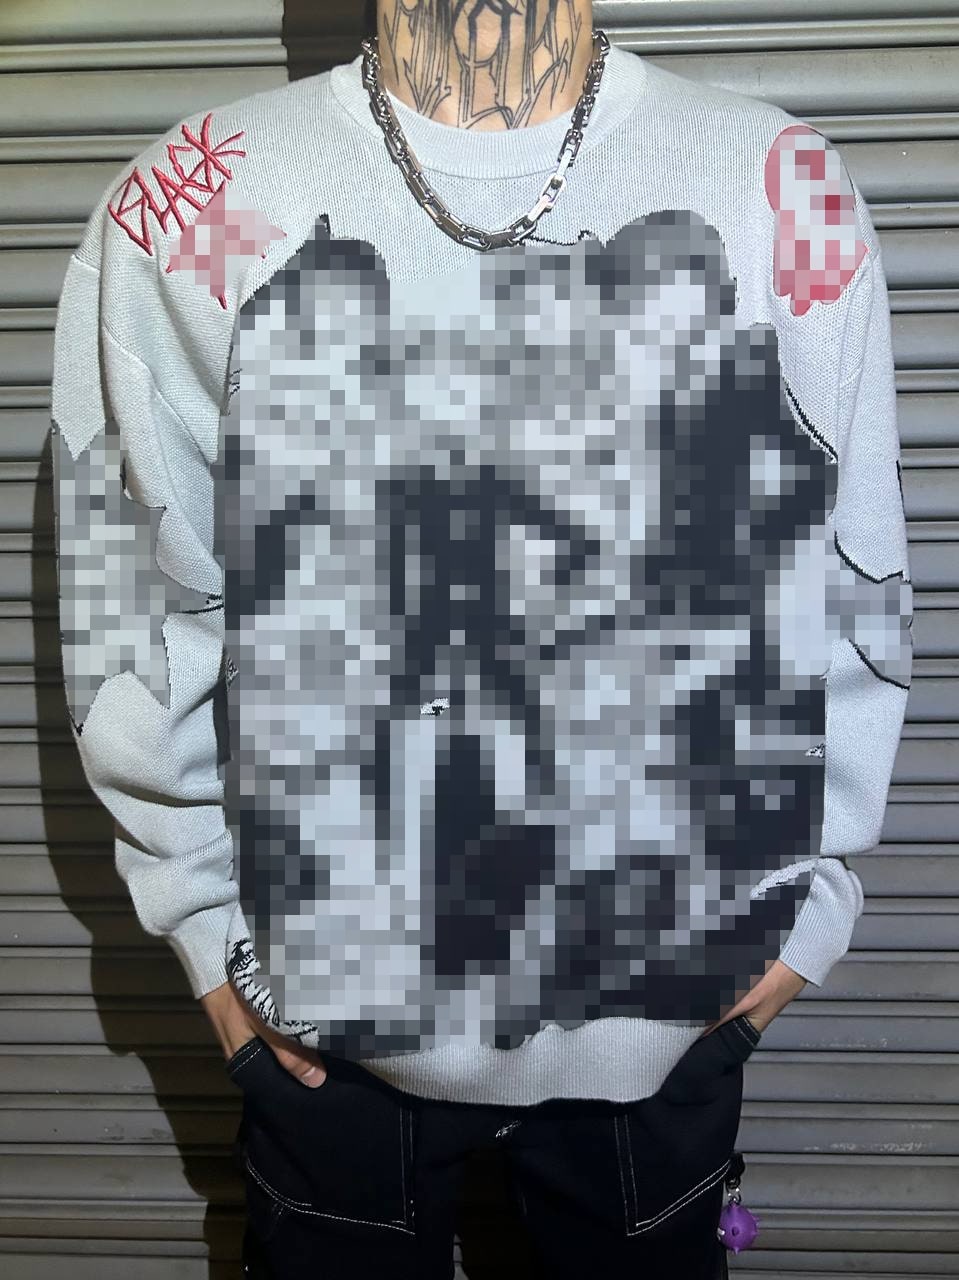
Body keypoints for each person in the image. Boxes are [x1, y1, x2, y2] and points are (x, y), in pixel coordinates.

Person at [50, 1, 913, 1276]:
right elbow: (125, 587)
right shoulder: (184, 205)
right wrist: (202, 931)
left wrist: (807, 903)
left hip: (665, 1017)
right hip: (324, 1039)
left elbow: (854, 561)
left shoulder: (776, 183)